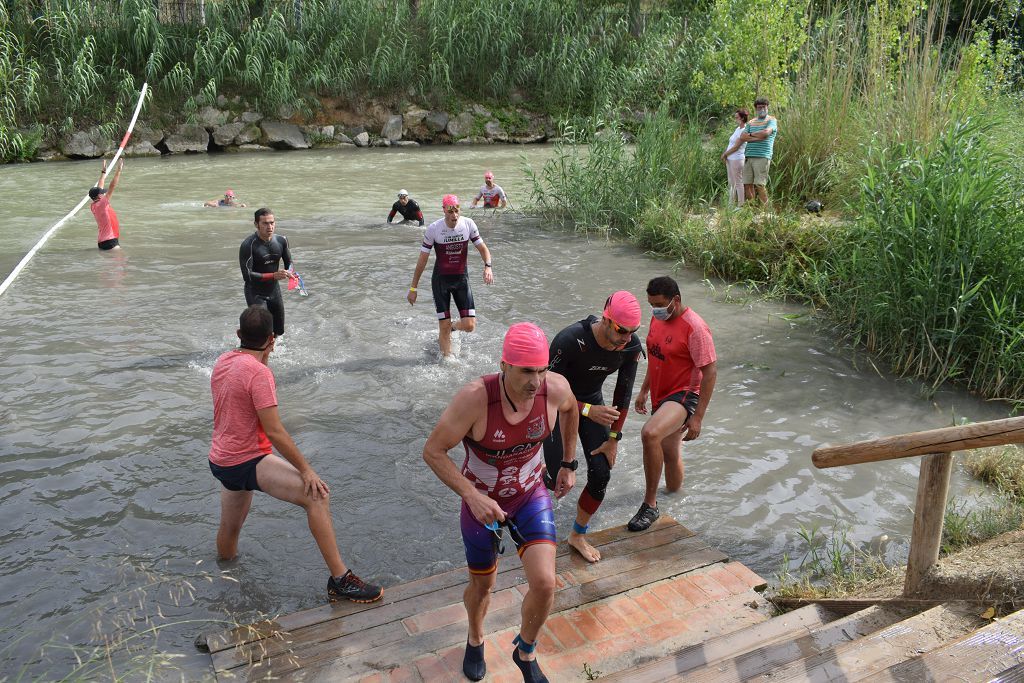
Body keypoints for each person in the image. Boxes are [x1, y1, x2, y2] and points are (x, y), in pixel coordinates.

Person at [422, 322, 579, 682]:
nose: (535, 382)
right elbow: (433, 451)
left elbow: (572, 410)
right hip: (482, 506)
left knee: (545, 584)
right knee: (483, 587)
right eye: (526, 371)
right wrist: (471, 495)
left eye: (541, 370)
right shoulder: (475, 399)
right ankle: (476, 637)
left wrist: (569, 462)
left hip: (529, 495)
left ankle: (525, 650)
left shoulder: (554, 389)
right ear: (504, 364)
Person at [209, 305, 383, 602]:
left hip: (221, 460)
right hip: (247, 459)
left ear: (238, 335)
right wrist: (306, 470)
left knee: (230, 528)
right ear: (272, 338)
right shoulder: (259, 373)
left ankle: (224, 583)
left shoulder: (223, 361)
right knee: (317, 495)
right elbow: (275, 431)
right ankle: (341, 580)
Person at [543, 291, 644, 562]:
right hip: (558, 406)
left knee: (601, 473)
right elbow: (545, 392)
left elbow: (623, 395)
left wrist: (614, 438)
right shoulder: (570, 340)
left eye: (633, 331)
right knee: (556, 479)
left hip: (590, 405)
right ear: (606, 319)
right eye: (622, 330)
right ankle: (534, 481)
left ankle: (577, 535)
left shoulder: (631, 346)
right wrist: (588, 410)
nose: (627, 337)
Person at [628, 276, 717, 532]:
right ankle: (675, 499)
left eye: (658, 304)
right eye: (651, 304)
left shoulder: (695, 328)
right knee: (670, 451)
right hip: (660, 393)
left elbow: (710, 372)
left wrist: (698, 417)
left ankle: (650, 504)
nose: (654, 309)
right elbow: (656, 356)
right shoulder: (658, 318)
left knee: (650, 433)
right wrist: (644, 390)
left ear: (675, 300)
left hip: (684, 395)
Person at [407, 194, 494, 357]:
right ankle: (447, 360)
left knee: (469, 326)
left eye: (457, 211)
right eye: (450, 212)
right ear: (444, 211)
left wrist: (488, 266)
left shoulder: (468, 224)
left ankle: (453, 327)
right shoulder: (434, 229)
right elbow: (422, 259)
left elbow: (483, 248)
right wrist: (413, 287)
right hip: (441, 281)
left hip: (461, 279)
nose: (454, 215)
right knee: (443, 325)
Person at [239, 208, 295, 338]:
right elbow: (247, 275)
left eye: (272, 222)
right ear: (256, 224)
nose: (269, 226)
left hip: (274, 291)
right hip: (255, 293)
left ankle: (271, 353)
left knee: (279, 331)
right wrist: (273, 275)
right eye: (265, 223)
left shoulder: (281, 240)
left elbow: (289, 263)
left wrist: (291, 273)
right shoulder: (249, 245)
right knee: (262, 331)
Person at [740, 96, 778, 206]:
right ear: (756, 109)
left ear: (767, 107)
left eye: (763, 107)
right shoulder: (751, 122)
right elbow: (742, 137)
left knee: (760, 184)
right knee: (747, 183)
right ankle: (751, 209)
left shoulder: (771, 120)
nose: (761, 109)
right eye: (759, 107)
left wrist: (750, 136)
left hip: (762, 156)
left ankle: (766, 211)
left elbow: (766, 133)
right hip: (749, 156)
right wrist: (757, 137)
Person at [89, 158, 123, 250]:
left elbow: (100, 186)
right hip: (111, 240)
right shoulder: (103, 202)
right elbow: (112, 186)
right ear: (99, 196)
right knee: (121, 262)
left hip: (101, 242)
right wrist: (119, 170)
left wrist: (103, 173)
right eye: (102, 193)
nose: (103, 193)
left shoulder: (93, 206)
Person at [720, 108, 749, 208]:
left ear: (742, 118)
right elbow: (731, 143)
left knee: (738, 182)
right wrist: (726, 155)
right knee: (731, 182)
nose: (735, 119)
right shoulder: (737, 129)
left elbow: (736, 146)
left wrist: (725, 154)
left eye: (737, 117)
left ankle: (740, 205)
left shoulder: (744, 130)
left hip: (737, 159)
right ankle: (730, 204)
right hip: (731, 159)